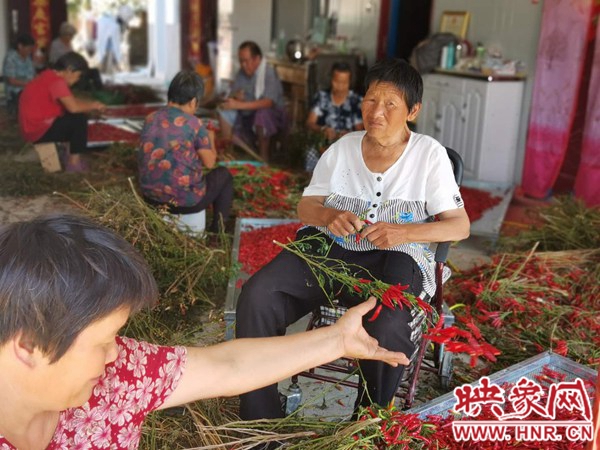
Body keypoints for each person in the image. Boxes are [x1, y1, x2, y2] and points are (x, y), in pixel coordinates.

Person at [0, 213, 408, 449]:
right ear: (30, 345)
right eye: (102, 342)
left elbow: (226, 366)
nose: (115, 354)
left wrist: (335, 339)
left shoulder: (120, 377)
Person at [235, 58, 470, 420]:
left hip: (395, 257)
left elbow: (459, 225)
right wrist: (329, 216)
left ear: (413, 110)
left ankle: (368, 422)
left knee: (388, 323)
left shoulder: (429, 156)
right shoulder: (343, 148)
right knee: (258, 295)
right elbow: (306, 206)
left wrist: (402, 232)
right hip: (330, 248)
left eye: (390, 103)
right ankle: (260, 415)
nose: (376, 112)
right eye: (371, 100)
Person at [138, 70, 233, 234]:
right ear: (193, 102)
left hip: (150, 199)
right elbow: (210, 162)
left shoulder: (150, 118)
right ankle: (218, 234)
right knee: (224, 176)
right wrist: (211, 138)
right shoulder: (194, 124)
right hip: (186, 203)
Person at [18, 51, 106, 172]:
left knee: (72, 116)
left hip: (30, 128)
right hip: (38, 130)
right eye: (78, 75)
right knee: (78, 119)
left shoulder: (48, 75)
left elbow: (71, 101)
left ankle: (68, 154)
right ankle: (73, 164)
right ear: (69, 70)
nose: (77, 80)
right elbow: (73, 107)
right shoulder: (57, 81)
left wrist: (91, 105)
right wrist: (93, 106)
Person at [218, 41, 287, 162]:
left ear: (257, 59)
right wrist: (235, 97)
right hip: (248, 113)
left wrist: (240, 104)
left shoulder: (268, 72)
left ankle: (263, 158)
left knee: (262, 114)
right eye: (241, 61)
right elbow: (233, 93)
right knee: (224, 112)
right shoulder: (241, 73)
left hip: (272, 115)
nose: (243, 65)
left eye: (246, 61)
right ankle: (228, 153)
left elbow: (268, 102)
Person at [304, 61, 364, 172]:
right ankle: (312, 185)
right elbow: (310, 122)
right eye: (337, 82)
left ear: (350, 82)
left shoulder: (356, 101)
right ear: (331, 79)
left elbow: (360, 130)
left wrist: (347, 135)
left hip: (347, 145)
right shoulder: (322, 97)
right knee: (312, 152)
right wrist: (323, 129)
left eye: (344, 83)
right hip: (324, 143)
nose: (340, 86)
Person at [1, 34, 36, 115]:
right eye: (29, 48)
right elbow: (11, 81)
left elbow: (33, 74)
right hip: (15, 92)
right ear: (20, 46)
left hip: (29, 88)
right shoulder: (11, 58)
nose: (30, 51)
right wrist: (29, 83)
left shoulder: (27, 57)